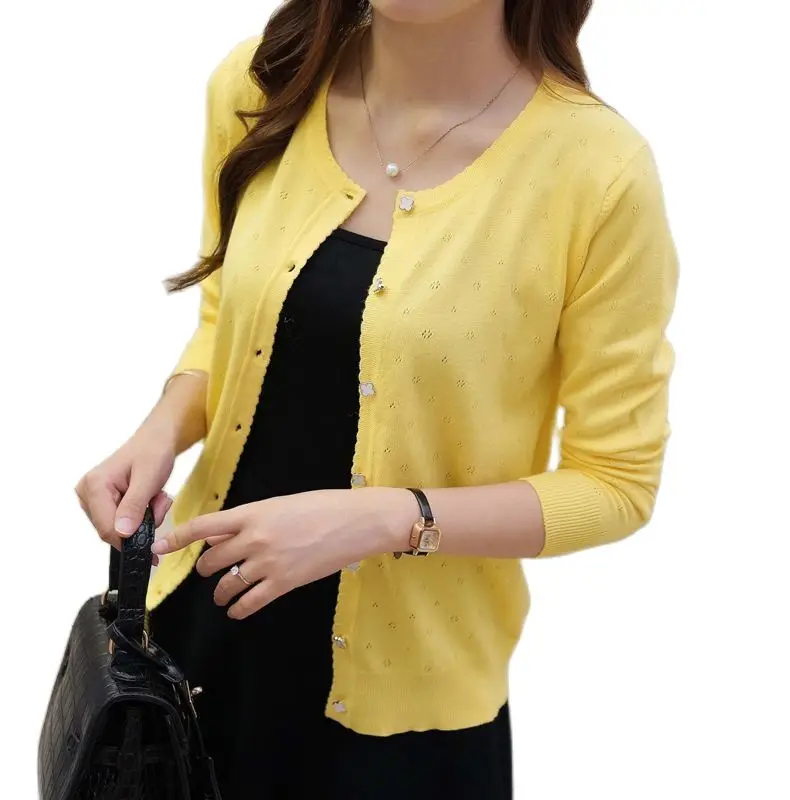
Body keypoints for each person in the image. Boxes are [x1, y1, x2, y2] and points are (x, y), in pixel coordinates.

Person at [75, 0, 678, 797]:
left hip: (408, 720)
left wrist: (392, 518)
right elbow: (228, 320)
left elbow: (616, 483)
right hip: (200, 646)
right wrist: (163, 427)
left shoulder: (597, 173)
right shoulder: (264, 83)